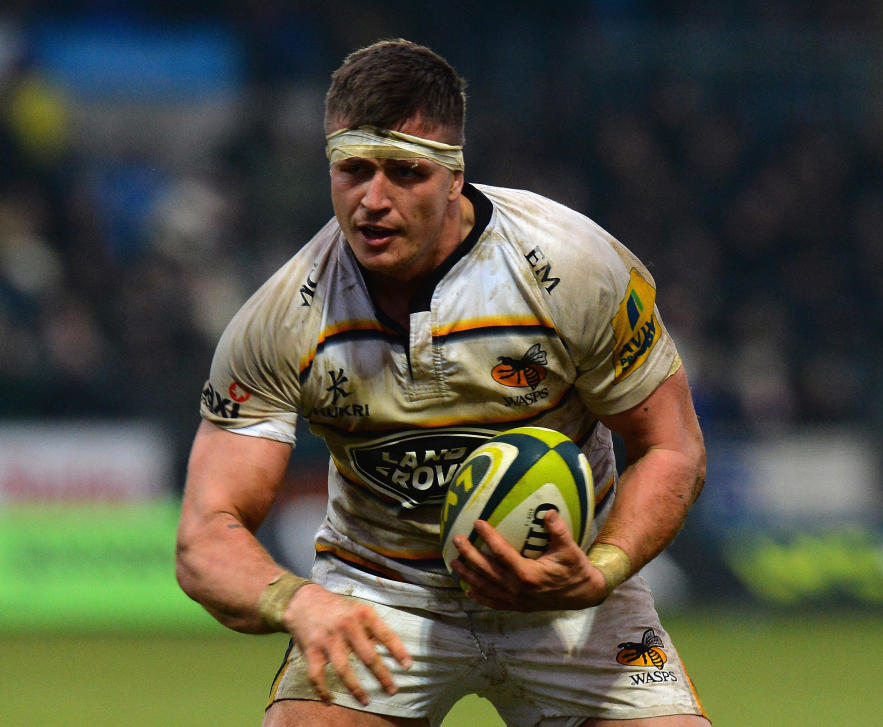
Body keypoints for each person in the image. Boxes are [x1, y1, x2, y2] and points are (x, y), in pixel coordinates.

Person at [175, 38, 709, 727]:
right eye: (353, 169)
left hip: (570, 593)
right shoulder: (282, 319)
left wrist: (600, 569)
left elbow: (673, 446)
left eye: (404, 172)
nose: (373, 199)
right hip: (382, 594)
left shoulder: (574, 267)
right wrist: (299, 601)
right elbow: (203, 534)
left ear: (456, 175)